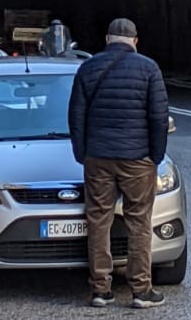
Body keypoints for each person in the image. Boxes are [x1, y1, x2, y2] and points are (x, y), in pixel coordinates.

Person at [69, 18, 170, 310]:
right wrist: (156, 155)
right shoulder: (149, 68)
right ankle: (141, 290)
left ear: (107, 38)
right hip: (137, 158)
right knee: (139, 221)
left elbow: (76, 115)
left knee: (99, 220)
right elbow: (159, 118)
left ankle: (100, 290)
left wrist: (82, 153)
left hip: (98, 157)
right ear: (135, 41)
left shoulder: (88, 68)